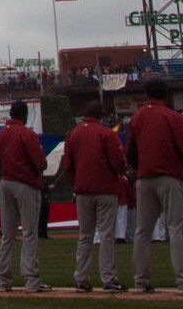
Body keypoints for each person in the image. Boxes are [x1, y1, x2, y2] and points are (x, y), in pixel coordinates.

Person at [127, 76, 183, 294]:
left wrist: (140, 167)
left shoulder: (137, 117)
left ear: (147, 94)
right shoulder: (172, 116)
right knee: (176, 228)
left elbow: (130, 151)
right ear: (165, 94)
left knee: (142, 230)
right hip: (169, 175)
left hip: (144, 176)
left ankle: (141, 280)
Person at [60, 101, 126, 292]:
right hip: (105, 188)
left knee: (85, 235)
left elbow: (68, 165)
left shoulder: (74, 133)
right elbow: (118, 162)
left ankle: (81, 278)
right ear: (101, 115)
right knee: (106, 235)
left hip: (82, 189)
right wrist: (119, 173)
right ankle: (108, 278)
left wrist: (75, 184)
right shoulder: (106, 133)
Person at [0, 100, 50, 292]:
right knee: (29, 232)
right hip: (25, 183)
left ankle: (2, 280)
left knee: (7, 234)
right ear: (24, 115)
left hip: (4, 182)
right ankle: (31, 280)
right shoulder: (27, 133)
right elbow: (40, 163)